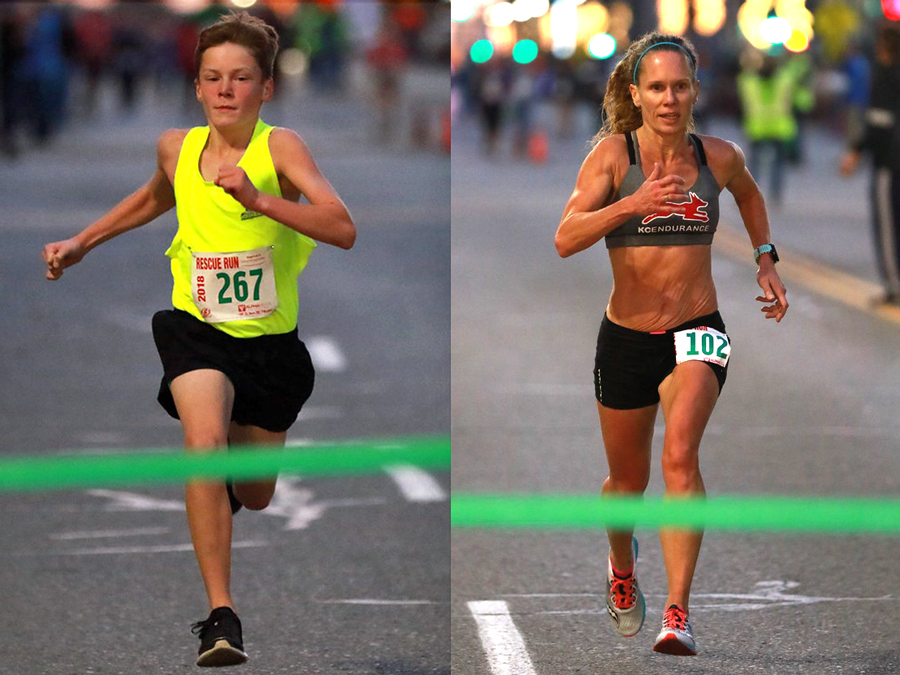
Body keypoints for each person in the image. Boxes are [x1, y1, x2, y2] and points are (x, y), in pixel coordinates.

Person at [41, 11, 355, 668]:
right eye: (213, 77)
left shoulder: (282, 149)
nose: (226, 90)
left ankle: (229, 488)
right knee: (203, 444)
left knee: (257, 489)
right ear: (197, 85)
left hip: (270, 347)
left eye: (241, 78)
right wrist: (81, 242)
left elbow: (340, 225)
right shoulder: (177, 146)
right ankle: (222, 613)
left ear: (266, 88)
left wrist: (262, 199)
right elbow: (156, 196)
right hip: (196, 330)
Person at [555, 33, 787, 656]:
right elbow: (565, 237)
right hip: (627, 338)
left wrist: (765, 258)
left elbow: (749, 195)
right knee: (625, 482)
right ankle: (622, 567)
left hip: (699, 329)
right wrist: (631, 203)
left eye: (679, 86)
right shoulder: (612, 156)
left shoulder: (718, 156)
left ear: (694, 91)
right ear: (636, 93)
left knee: (680, 457)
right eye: (656, 87)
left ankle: (678, 612)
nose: (669, 98)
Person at [841, 23, 900, 305]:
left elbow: (878, 122)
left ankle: (895, 285)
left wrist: (855, 151)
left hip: (890, 162)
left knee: (888, 225)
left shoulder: (887, 76)